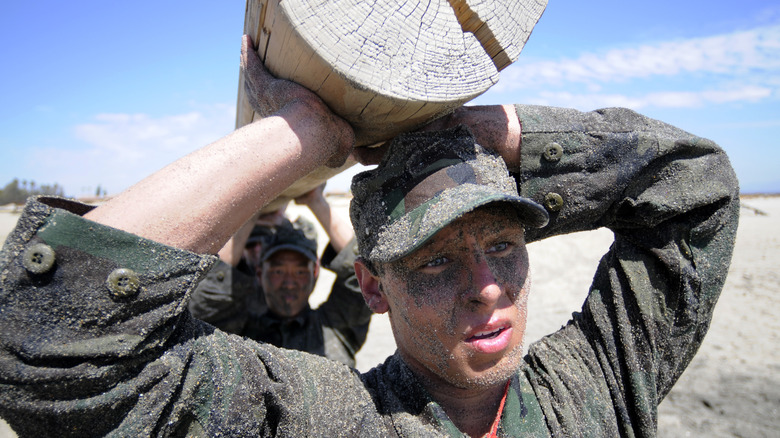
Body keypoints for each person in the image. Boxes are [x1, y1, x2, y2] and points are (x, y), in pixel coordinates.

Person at [0, 33, 738, 437]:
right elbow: (47, 353)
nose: (486, 286)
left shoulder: (593, 387)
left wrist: (509, 135)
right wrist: (297, 137)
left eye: (504, 246)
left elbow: (695, 192)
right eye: (437, 260)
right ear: (372, 287)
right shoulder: (337, 419)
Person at [189, 184, 372, 367]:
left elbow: (362, 275)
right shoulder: (235, 334)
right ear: (260, 273)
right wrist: (252, 213)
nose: (289, 283)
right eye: (278, 271)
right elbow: (210, 294)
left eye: (300, 271)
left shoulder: (335, 328)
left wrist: (316, 201)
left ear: (315, 272)